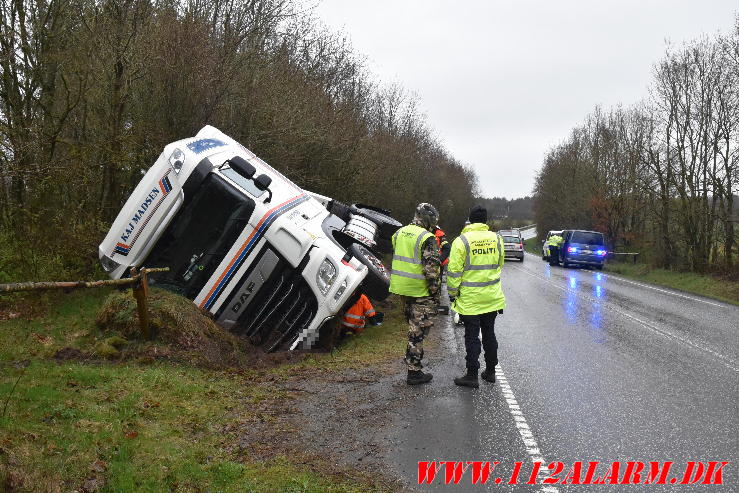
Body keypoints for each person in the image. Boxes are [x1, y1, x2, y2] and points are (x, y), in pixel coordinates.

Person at [447, 205, 506, 388]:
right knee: (489, 333)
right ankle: (490, 372)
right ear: (485, 220)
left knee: (471, 335)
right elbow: (500, 263)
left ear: (470, 219)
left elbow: (454, 271)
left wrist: (452, 293)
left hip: (470, 300)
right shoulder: (497, 239)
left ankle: (472, 375)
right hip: (491, 298)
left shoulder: (461, 241)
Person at [389, 203, 442, 385]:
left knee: (413, 328)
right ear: (428, 219)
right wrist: (435, 293)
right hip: (420, 290)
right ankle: (414, 372)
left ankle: (413, 365)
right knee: (417, 332)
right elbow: (431, 270)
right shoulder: (427, 237)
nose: (434, 225)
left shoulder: (399, 233)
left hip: (402, 288)